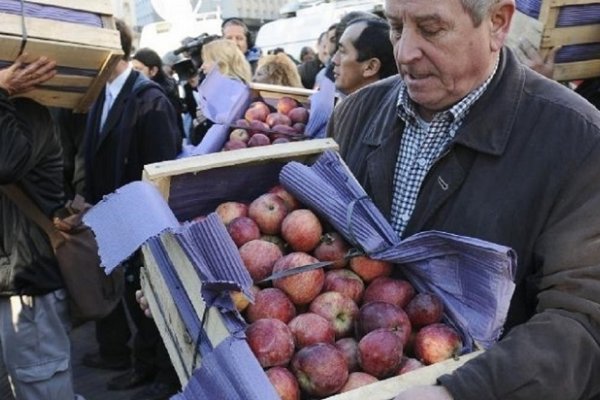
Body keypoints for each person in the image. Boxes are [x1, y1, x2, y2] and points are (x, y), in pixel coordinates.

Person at [328, 0, 600, 399]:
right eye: (396, 27)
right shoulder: (354, 113)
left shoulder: (578, 141)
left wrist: (464, 392)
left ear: (497, 23)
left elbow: (584, 321)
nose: (404, 53)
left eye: (431, 28)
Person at [82, 19, 181, 400]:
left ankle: (163, 377)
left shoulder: (149, 98)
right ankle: (142, 366)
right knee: (131, 296)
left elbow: (161, 171)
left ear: (107, 48)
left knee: (150, 297)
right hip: (115, 218)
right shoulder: (101, 94)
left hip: (142, 223)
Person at [0, 55, 85, 400]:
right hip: (11, 282)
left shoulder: (27, 113)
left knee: (43, 390)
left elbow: (5, 164)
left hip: (28, 288)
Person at [189, 38, 252, 146]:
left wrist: (203, 121)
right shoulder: (236, 89)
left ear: (222, 61)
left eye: (206, 60)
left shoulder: (233, 92)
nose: (202, 66)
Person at [132, 47, 185, 147]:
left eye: (138, 69)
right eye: (132, 69)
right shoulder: (140, 91)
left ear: (153, 71)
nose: (133, 74)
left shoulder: (160, 97)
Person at [330, 17, 396, 97]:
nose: (334, 60)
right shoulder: (349, 106)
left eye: (342, 51)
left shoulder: (386, 108)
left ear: (370, 67)